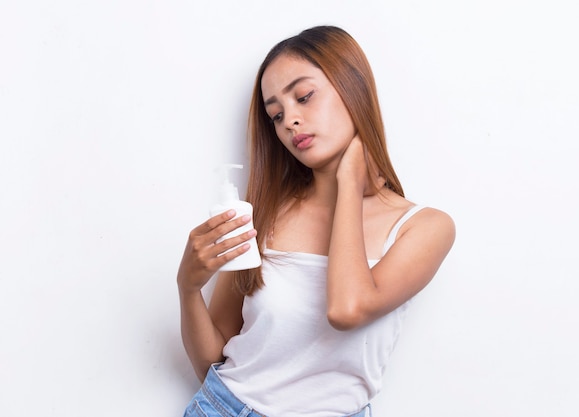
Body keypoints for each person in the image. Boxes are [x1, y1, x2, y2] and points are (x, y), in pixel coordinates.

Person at [177, 25, 455, 417]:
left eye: (304, 97)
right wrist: (187, 288)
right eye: (276, 114)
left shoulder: (423, 228)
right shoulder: (265, 213)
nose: (290, 119)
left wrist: (348, 181)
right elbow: (213, 360)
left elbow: (346, 309)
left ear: (352, 88)